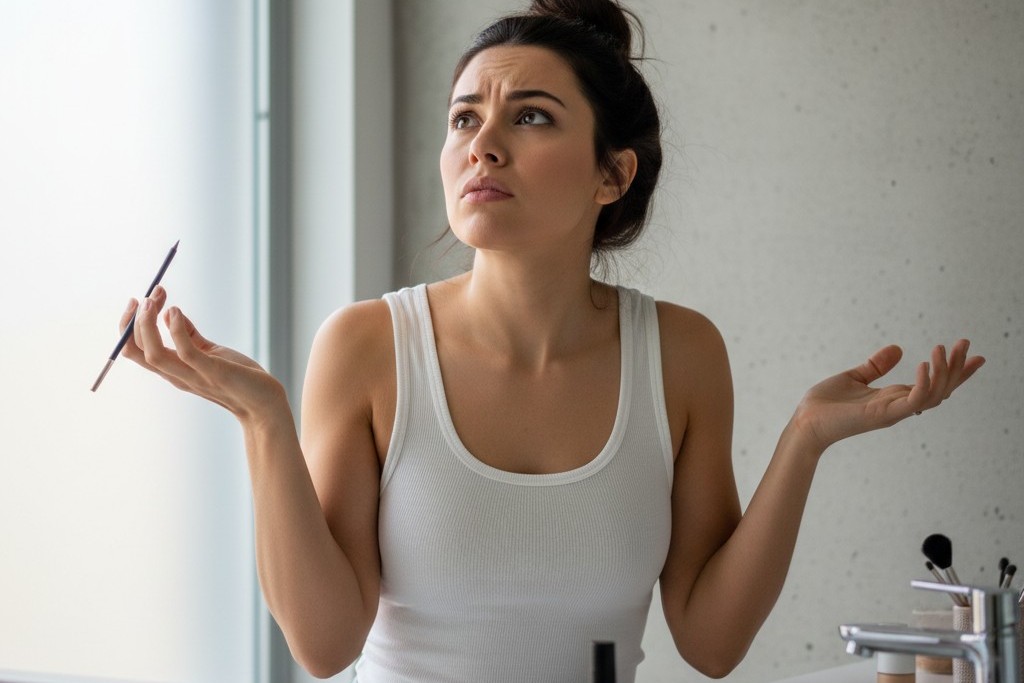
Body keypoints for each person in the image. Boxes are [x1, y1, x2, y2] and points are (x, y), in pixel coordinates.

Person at [120, 1, 985, 681]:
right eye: (463, 120)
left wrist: (805, 437)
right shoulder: (367, 346)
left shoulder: (680, 353)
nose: (482, 146)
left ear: (614, 174)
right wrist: (263, 420)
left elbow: (711, 641)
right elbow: (324, 642)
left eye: (529, 119)